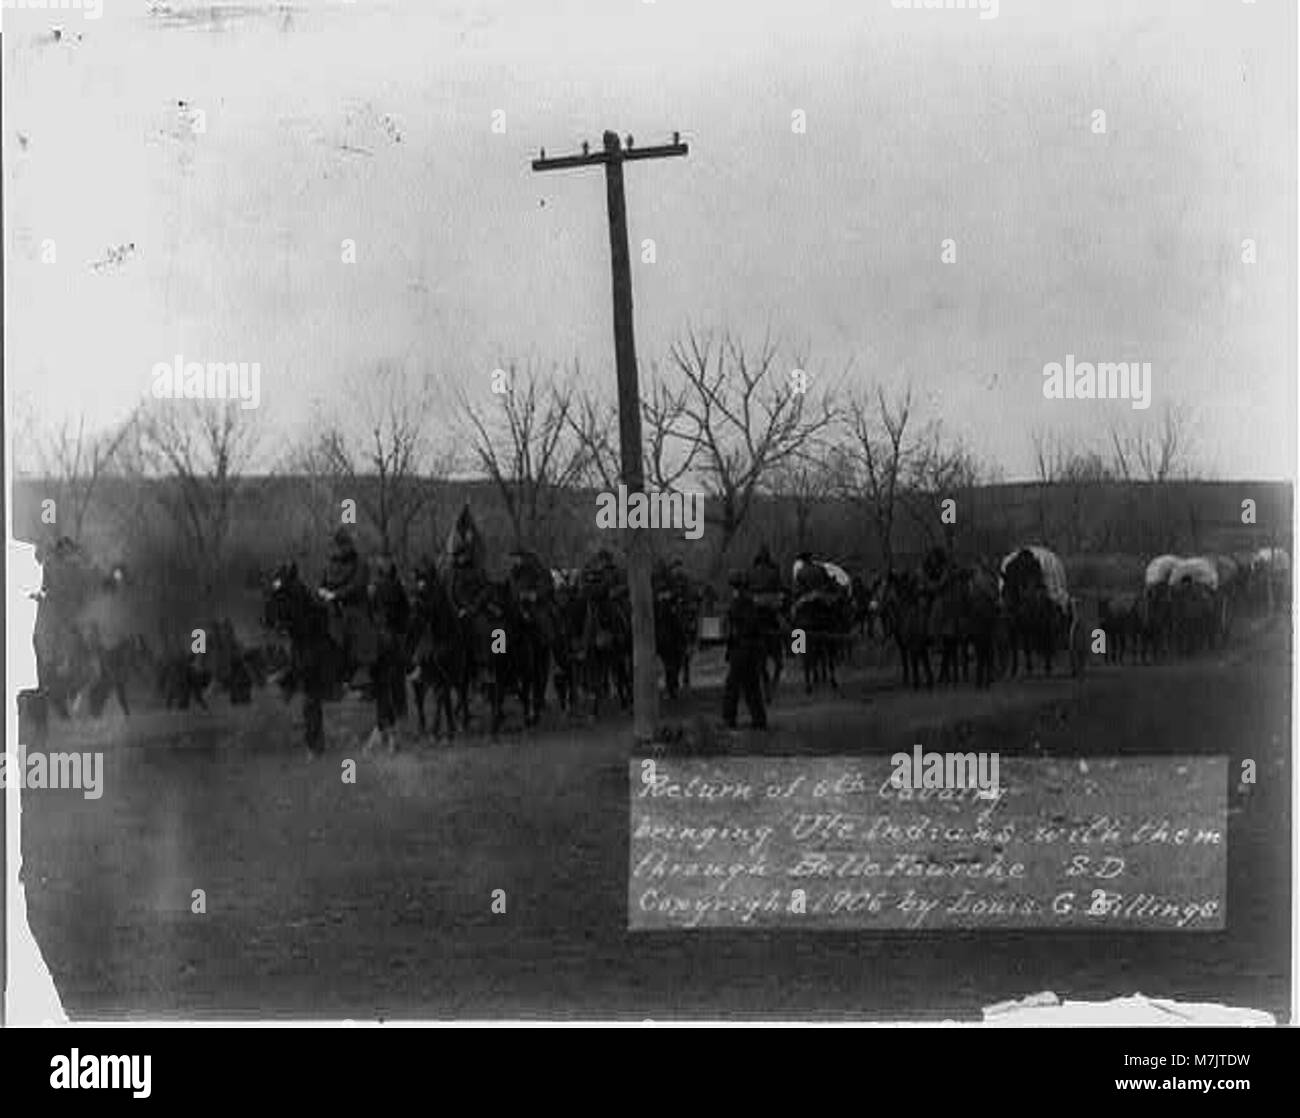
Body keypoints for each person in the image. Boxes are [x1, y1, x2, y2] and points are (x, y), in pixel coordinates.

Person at [723, 571, 767, 731]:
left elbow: (734, 630)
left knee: (732, 686)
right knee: (752, 687)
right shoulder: (751, 604)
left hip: (741, 650)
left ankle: (729, 720)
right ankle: (759, 719)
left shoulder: (736, 604)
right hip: (752, 650)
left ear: (736, 588)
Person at [320, 528, 370, 668]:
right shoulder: (332, 563)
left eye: (344, 544)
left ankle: (354, 667)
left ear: (350, 544)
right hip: (333, 606)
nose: (341, 548)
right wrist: (322, 591)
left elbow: (356, 585)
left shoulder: (360, 563)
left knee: (350, 630)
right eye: (339, 544)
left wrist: (336, 594)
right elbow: (324, 582)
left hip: (355, 605)